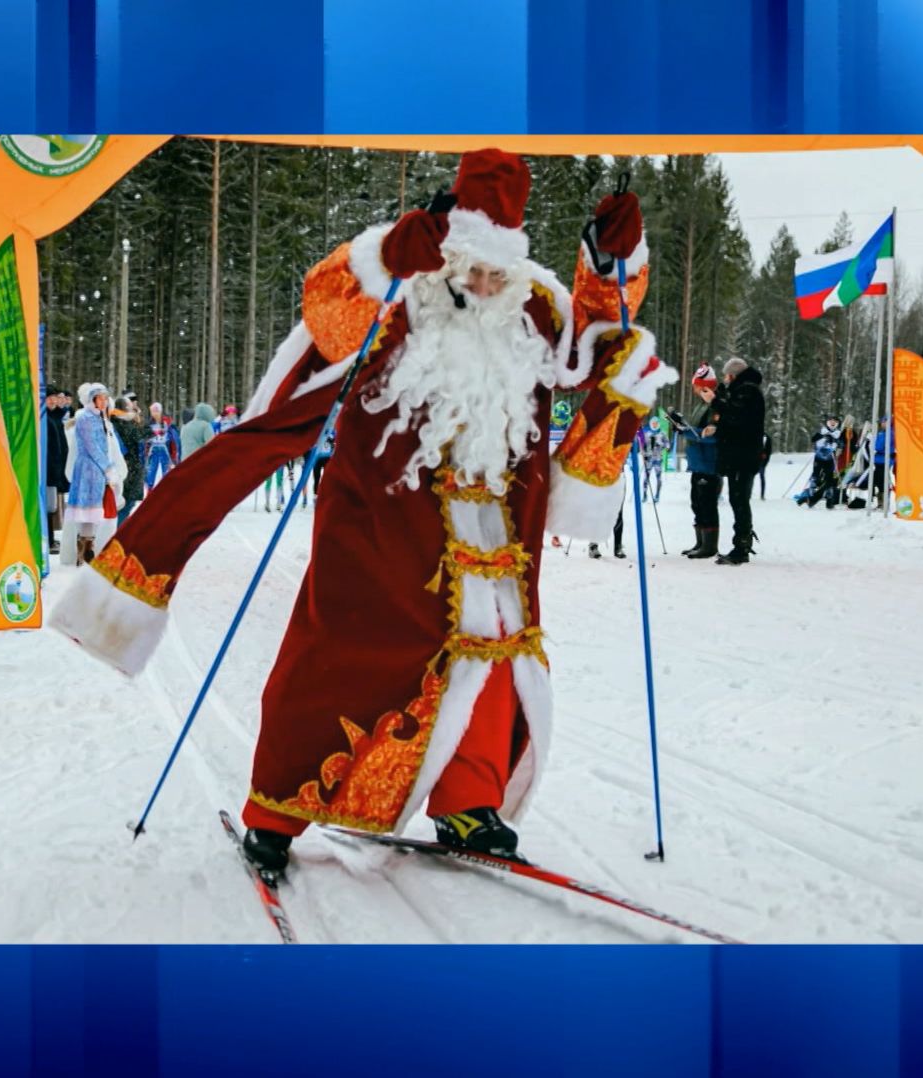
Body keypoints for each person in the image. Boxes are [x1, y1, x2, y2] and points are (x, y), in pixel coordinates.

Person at [50, 149, 669, 874]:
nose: (483, 284)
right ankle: (276, 810)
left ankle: (469, 801)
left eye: (498, 273)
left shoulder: (530, 308)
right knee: (337, 658)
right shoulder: (402, 292)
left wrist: (610, 260)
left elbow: (597, 337)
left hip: (498, 532)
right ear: (446, 255)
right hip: (382, 523)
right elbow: (328, 308)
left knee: (494, 658)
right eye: (471, 268)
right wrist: (384, 258)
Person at [711, 357, 766, 564]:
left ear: (733, 375)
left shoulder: (748, 392)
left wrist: (716, 402)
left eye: (726, 375)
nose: (725, 379)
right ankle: (742, 542)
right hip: (741, 454)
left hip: (743, 455)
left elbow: (737, 416)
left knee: (739, 499)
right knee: (738, 499)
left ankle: (742, 545)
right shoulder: (744, 391)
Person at [64, 383, 125, 565]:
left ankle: (89, 549)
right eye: (100, 399)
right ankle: (84, 552)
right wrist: (108, 468)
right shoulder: (85, 419)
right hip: (88, 469)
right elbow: (92, 447)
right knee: (87, 510)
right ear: (92, 400)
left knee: (95, 511)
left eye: (106, 399)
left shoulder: (99, 419)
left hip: (98, 469)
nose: (104, 402)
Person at [668, 364, 722, 558]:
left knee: (707, 504)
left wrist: (689, 432)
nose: (694, 389)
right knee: (697, 503)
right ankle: (701, 542)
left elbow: (713, 434)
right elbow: (697, 430)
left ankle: (709, 545)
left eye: (697, 385)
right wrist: (681, 426)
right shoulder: (701, 405)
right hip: (697, 462)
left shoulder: (716, 406)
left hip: (709, 463)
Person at [42, 386, 73, 555]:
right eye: (50, 398)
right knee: (49, 507)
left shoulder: (53, 418)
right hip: (49, 471)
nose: (54, 401)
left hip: (55, 470)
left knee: (51, 506)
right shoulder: (45, 419)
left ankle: (50, 539)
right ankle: (48, 540)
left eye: (55, 397)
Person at [110, 392, 150, 520]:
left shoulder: (120, 422)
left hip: (129, 469)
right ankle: (117, 534)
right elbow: (142, 434)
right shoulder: (124, 423)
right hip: (129, 470)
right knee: (125, 504)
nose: (134, 407)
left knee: (125, 504)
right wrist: (139, 419)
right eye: (131, 406)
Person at [144, 402, 176, 487]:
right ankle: (149, 493)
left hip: (165, 450)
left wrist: (173, 456)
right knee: (150, 474)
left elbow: (173, 440)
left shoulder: (167, 423)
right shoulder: (148, 424)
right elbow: (145, 440)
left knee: (166, 474)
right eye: (153, 411)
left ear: (160, 412)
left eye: (156, 411)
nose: (155, 414)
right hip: (152, 451)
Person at [757, 431, 772, 499]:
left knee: (762, 477)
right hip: (754, 461)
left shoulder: (767, 438)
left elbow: (769, 451)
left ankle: (762, 495)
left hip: (762, 462)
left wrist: (765, 461)